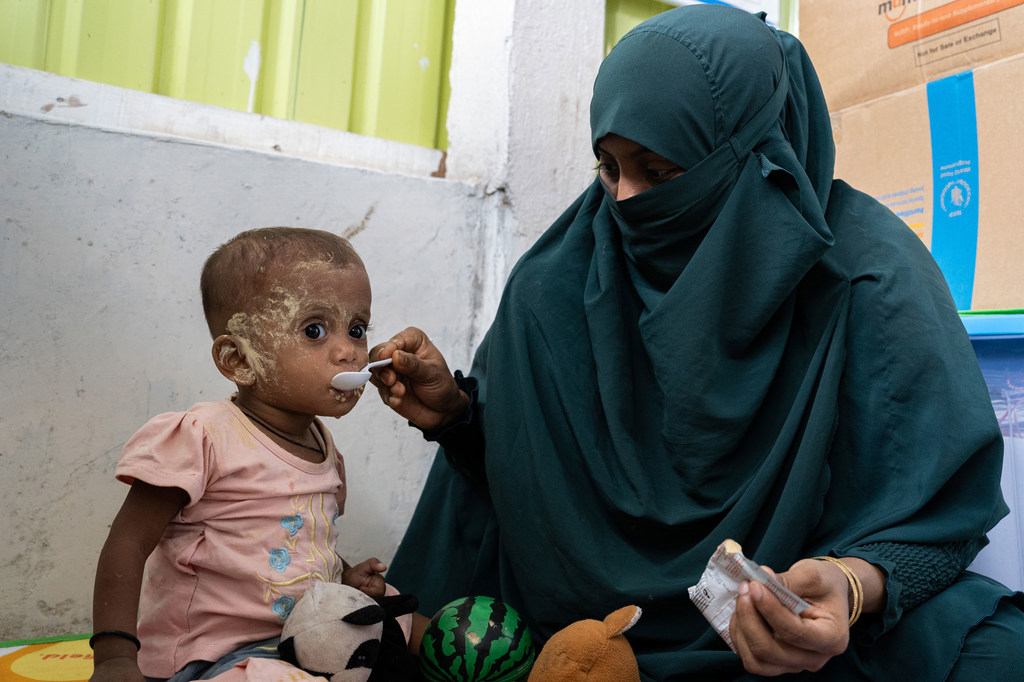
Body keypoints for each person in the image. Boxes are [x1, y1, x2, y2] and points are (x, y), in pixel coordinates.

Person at [370, 5, 1024, 680]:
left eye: (659, 172)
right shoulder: (558, 281)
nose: (623, 202)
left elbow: (935, 518)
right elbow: (527, 493)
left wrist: (850, 587)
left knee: (1002, 654)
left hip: (790, 641)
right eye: (607, 166)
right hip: (585, 633)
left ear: (758, 152)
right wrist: (459, 419)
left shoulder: (865, 275)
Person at [91, 227, 397, 681]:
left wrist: (344, 578)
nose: (348, 352)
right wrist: (115, 657)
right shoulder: (202, 438)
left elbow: (304, 549)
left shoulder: (328, 456)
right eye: (315, 330)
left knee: (399, 616)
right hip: (209, 659)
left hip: (300, 642)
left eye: (357, 329)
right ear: (239, 360)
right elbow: (128, 542)